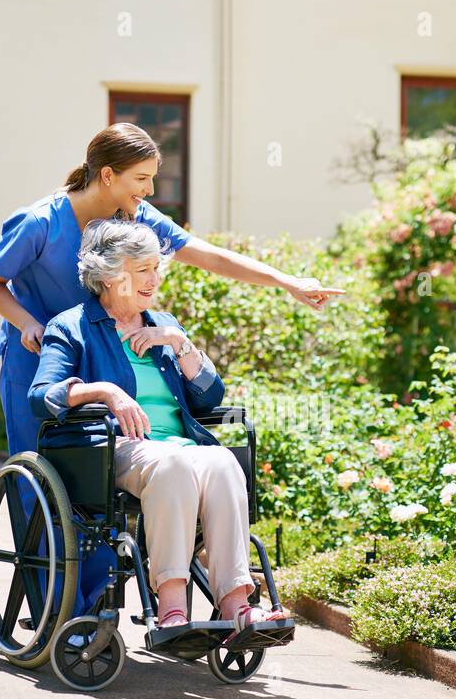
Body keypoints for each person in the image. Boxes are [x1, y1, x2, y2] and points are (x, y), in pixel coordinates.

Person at [0, 122, 342, 458]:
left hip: (99, 353)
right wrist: (26, 323)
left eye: (152, 178)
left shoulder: (136, 215)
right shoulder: (38, 223)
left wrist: (287, 282)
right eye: (141, 178)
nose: (150, 190)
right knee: (37, 473)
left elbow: (211, 258)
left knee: (92, 481)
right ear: (108, 175)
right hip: (38, 354)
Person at [29, 218, 289, 636]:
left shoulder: (163, 322)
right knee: (172, 465)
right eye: (143, 269)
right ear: (112, 277)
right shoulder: (72, 326)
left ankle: (238, 606)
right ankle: (171, 610)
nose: (155, 279)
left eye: (156, 268)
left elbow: (209, 398)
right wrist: (104, 392)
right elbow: (42, 396)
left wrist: (178, 342)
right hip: (118, 448)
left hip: (181, 446)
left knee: (223, 461)